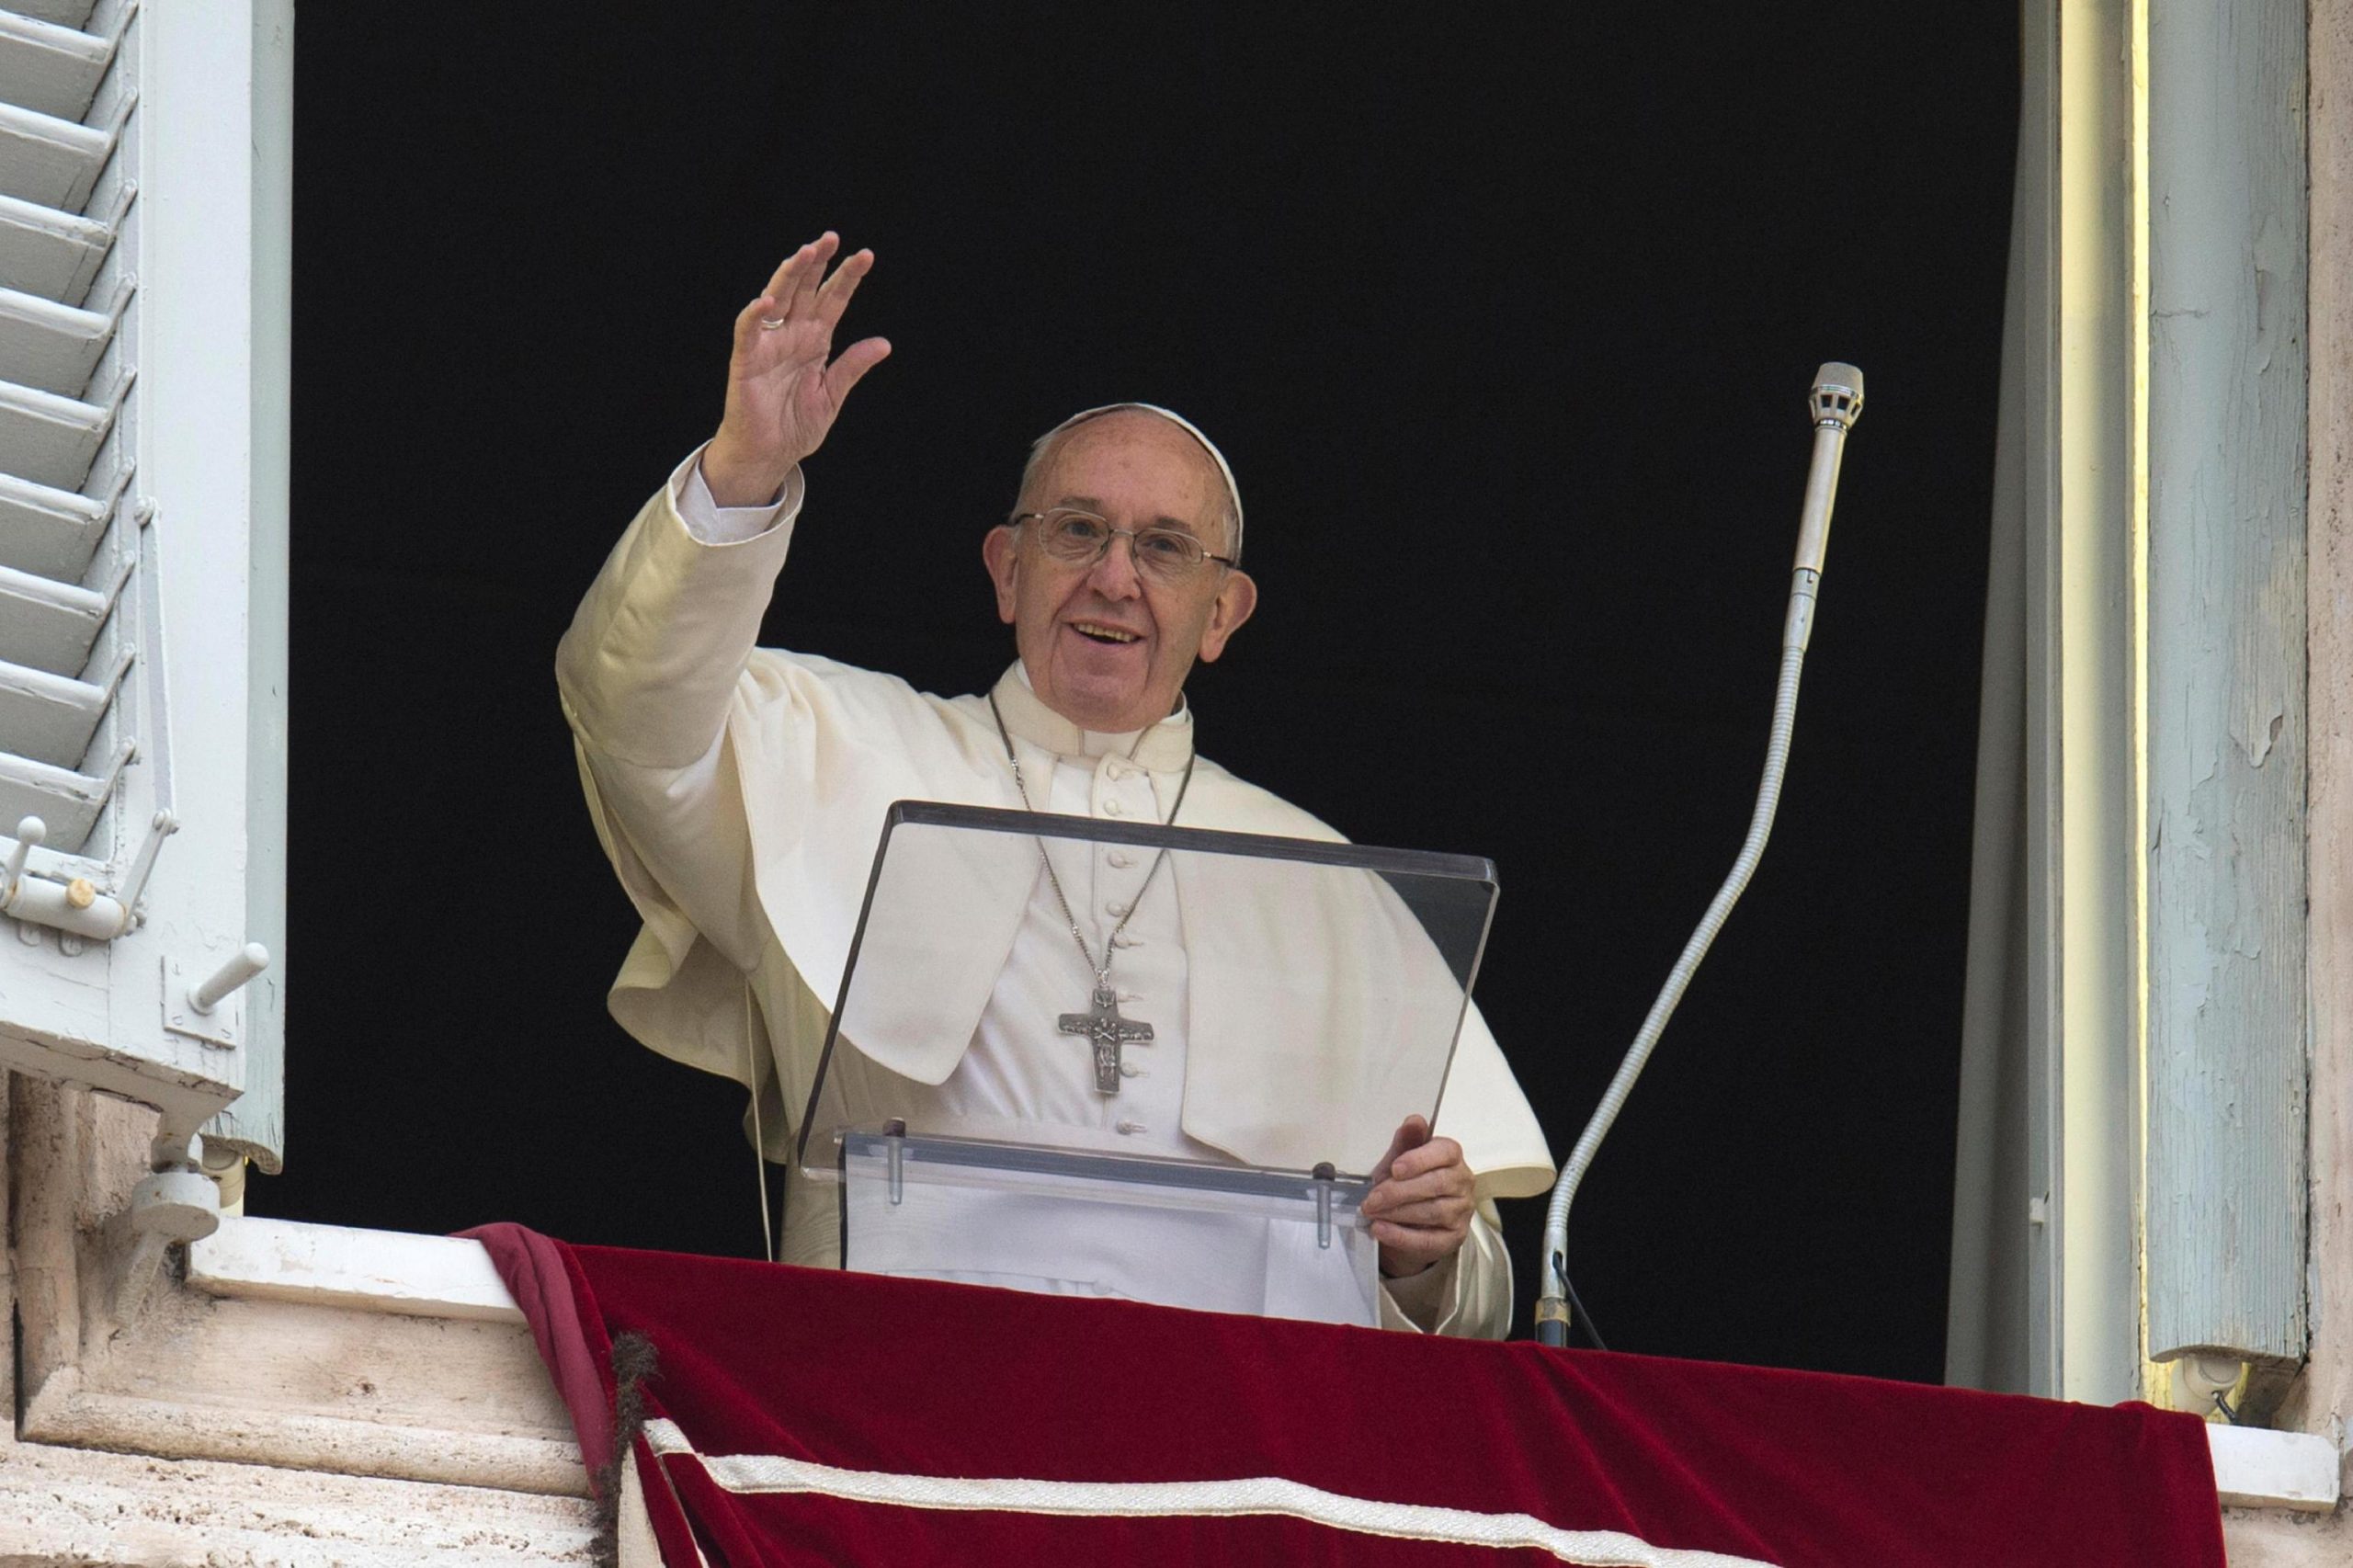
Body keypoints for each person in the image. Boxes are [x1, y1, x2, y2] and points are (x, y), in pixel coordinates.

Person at [558, 233, 1554, 1335]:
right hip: (897, 1406)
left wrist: (1427, 1257)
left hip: (1227, 1452)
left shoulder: (1324, 878)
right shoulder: (831, 744)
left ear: (1223, 613)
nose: (1115, 577)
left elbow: (1473, 1298)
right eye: (1076, 530)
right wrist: (743, 469)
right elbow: (630, 706)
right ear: (1005, 568)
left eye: (1167, 547)